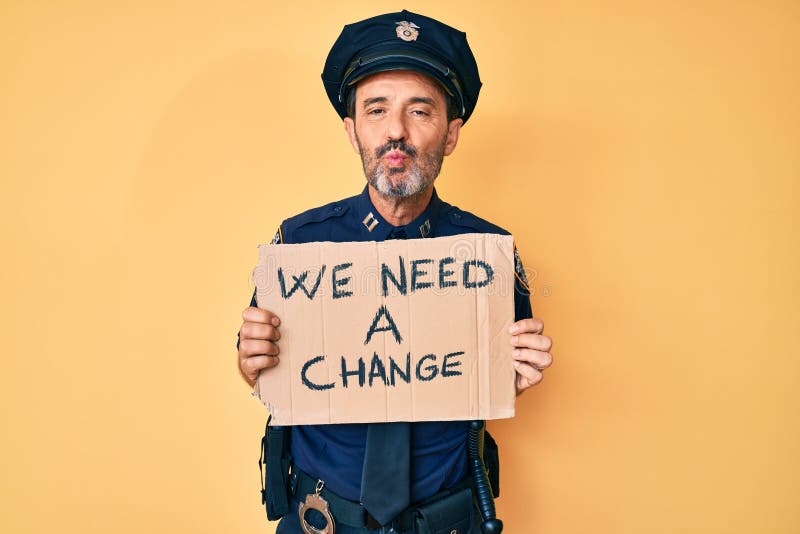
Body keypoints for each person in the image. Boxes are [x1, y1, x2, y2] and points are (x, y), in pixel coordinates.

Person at [237, 10, 553, 533]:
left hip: (449, 520)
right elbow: (257, 370)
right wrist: (249, 363)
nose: (396, 133)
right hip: (322, 520)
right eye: (376, 110)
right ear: (352, 130)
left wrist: (513, 377)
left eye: (420, 112)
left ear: (450, 134)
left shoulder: (488, 256)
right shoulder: (297, 246)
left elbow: (494, 378)